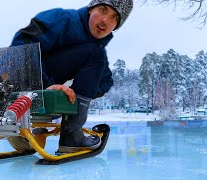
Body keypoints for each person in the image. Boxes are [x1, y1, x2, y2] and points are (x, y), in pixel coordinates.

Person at [10, 0, 133, 153]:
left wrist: (70, 94)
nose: (105, 20)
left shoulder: (94, 52)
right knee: (96, 54)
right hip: (18, 82)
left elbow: (105, 82)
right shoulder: (64, 19)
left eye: (114, 17)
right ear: (90, 9)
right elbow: (22, 43)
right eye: (103, 10)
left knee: (101, 68)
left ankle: (66, 129)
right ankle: (72, 134)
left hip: (43, 89)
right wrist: (43, 86)